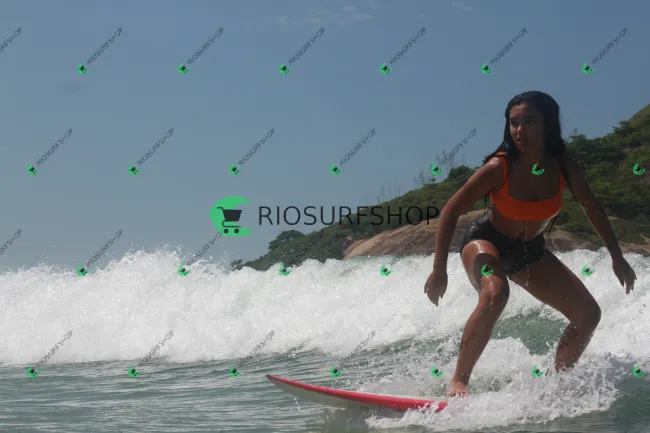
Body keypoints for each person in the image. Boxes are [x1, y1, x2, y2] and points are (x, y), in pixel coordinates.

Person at [423, 91, 637, 397]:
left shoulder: (562, 165)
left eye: (529, 122)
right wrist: (439, 270)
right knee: (496, 293)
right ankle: (459, 382)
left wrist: (617, 257)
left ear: (548, 124)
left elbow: (592, 207)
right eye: (514, 123)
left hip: (529, 251)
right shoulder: (499, 167)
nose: (520, 130)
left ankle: (559, 383)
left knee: (588, 314)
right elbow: (450, 211)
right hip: (486, 241)